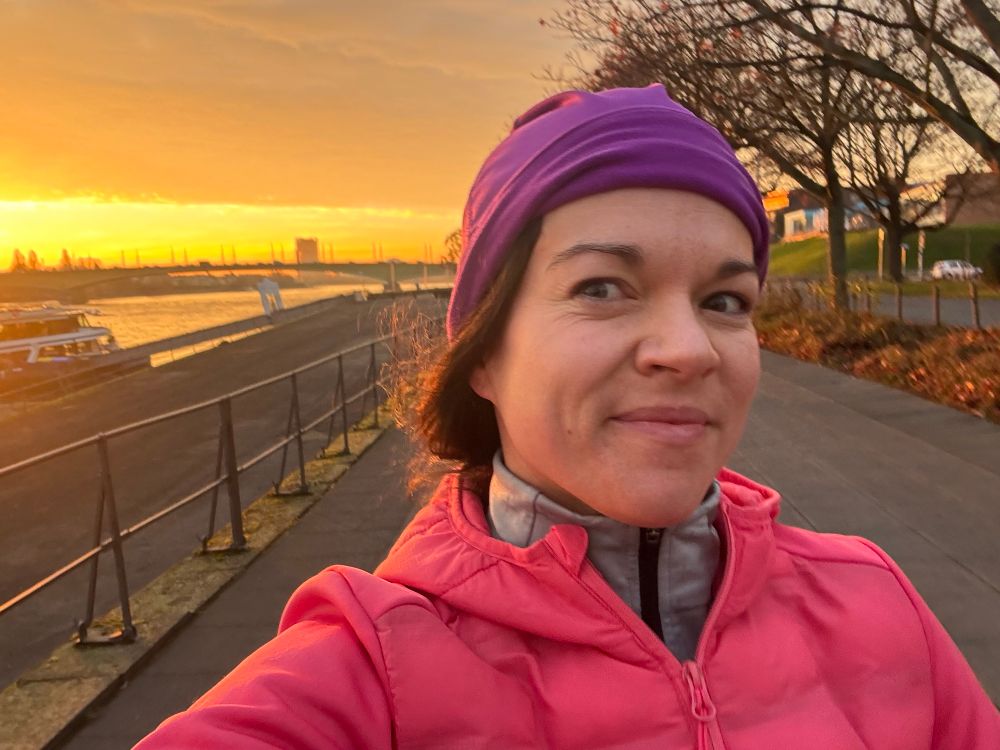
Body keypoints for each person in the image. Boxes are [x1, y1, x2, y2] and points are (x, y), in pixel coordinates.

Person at [136, 85, 999, 749]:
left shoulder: (874, 602)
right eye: (601, 288)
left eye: (726, 300)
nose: (688, 348)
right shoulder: (368, 672)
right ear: (483, 353)